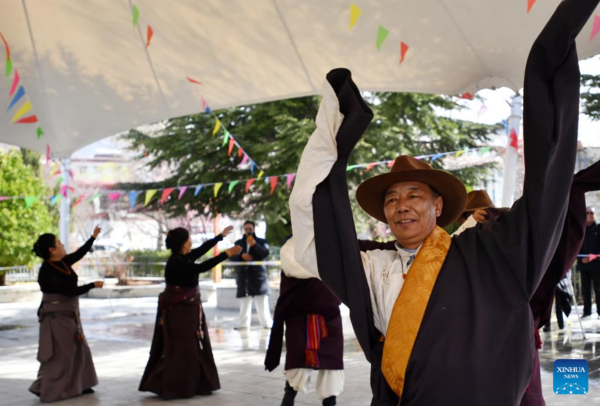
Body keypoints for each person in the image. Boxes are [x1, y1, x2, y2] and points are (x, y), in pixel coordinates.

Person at [283, 1, 597, 404]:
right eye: (392, 199)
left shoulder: (488, 253)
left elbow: (544, 193)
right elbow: (312, 230)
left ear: (438, 206)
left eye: (414, 195)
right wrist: (333, 135)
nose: (402, 205)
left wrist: (549, 60)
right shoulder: (371, 266)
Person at [139, 226, 241, 400]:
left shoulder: (184, 257)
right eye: (188, 239)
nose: (191, 242)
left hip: (189, 311)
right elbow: (200, 268)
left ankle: (195, 383)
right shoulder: (176, 262)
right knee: (181, 348)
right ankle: (177, 386)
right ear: (182, 244)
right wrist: (227, 254)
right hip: (178, 313)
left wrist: (220, 237)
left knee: (192, 346)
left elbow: (202, 250)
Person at [265, 236, 344, 406]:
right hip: (299, 317)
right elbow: (301, 269)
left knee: (332, 364)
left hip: (329, 316)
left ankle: (330, 402)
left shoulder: (333, 242)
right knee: (297, 364)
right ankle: (289, 398)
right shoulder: (290, 246)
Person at [29, 227, 104, 402]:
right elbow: (70, 291)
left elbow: (79, 254)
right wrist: (92, 285)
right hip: (56, 316)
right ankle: (48, 388)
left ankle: (81, 384)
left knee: (78, 348)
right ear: (52, 250)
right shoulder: (47, 272)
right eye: (59, 243)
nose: (63, 245)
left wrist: (92, 237)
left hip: (70, 314)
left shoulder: (62, 262)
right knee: (60, 353)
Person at [230, 221, 273, 329]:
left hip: (258, 277)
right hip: (244, 277)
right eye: (246, 229)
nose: (248, 231)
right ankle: (243, 324)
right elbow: (231, 256)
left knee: (262, 302)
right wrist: (241, 257)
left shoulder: (261, 242)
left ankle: (267, 323)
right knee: (244, 302)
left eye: (250, 229)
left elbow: (265, 253)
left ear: (254, 229)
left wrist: (255, 245)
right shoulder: (239, 243)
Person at [576, 206, 600, 317]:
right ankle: (587, 311)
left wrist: (591, 257)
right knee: (586, 290)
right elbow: (576, 245)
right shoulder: (581, 229)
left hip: (596, 264)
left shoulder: (598, 228)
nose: (589, 215)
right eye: (587, 213)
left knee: (598, 289)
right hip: (584, 264)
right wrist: (581, 258)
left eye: (591, 213)